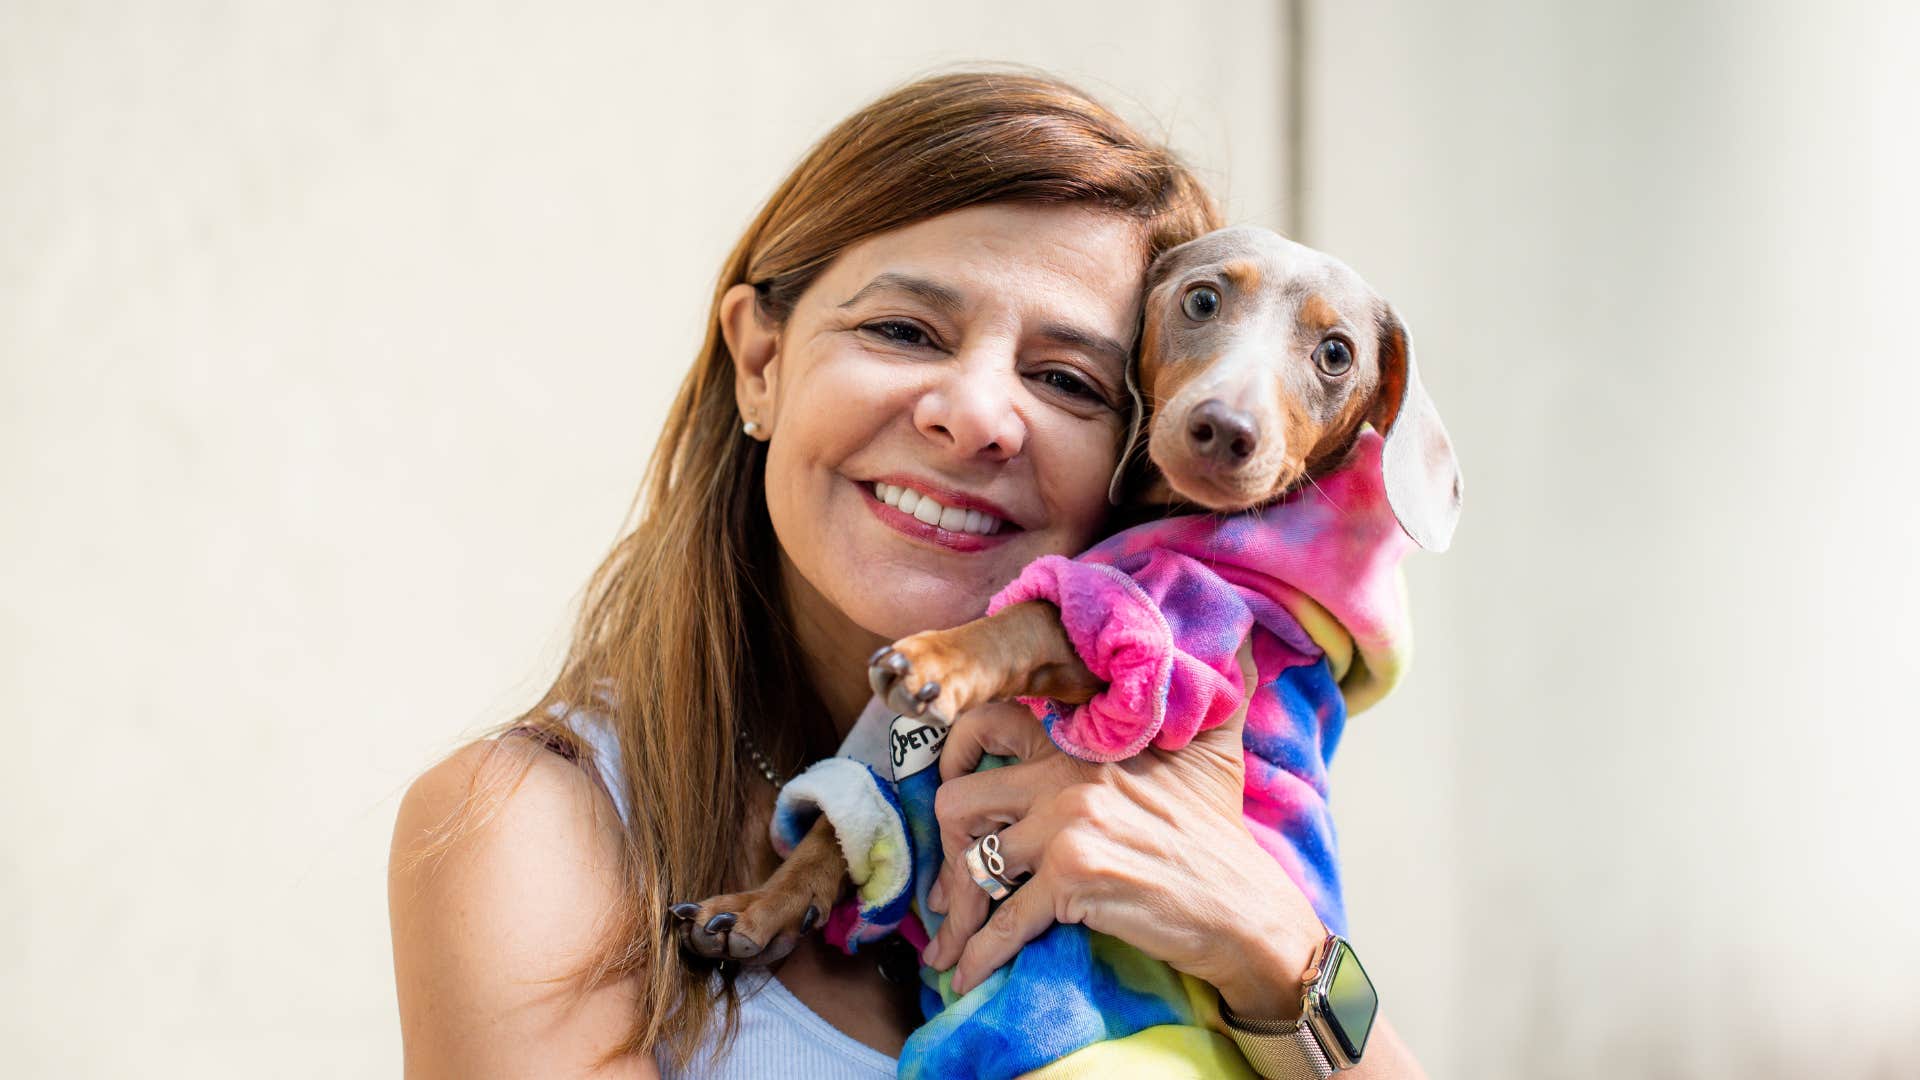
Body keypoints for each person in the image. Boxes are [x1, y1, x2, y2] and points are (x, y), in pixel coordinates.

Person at [388, 69, 1429, 1079]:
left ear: (1151, 444)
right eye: (901, 331)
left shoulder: (1211, 780)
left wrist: (1270, 948)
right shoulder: (535, 830)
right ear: (760, 362)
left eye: (1067, 379)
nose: (975, 414)